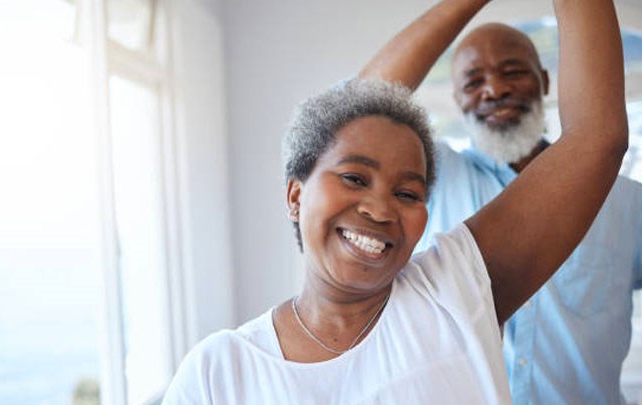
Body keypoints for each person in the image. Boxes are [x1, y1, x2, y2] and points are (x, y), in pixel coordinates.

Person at [162, 0, 627, 403]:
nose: (381, 210)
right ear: (295, 195)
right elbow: (357, 106)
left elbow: (596, 139)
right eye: (353, 177)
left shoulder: (452, 293)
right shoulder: (216, 373)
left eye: (408, 192)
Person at [371, 11, 642, 405]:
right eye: (473, 80)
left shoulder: (626, 203)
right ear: (458, 99)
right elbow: (357, 108)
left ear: (545, 82)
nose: (494, 89)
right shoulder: (431, 178)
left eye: (512, 71)